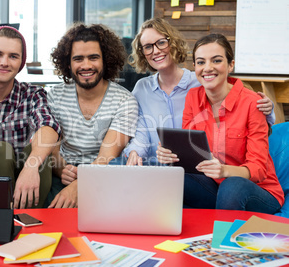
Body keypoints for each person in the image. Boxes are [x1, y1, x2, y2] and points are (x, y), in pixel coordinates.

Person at [118, 18, 274, 166]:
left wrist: (268, 109)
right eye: (148, 47)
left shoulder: (201, 80)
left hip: (198, 170)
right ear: (143, 53)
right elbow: (142, 131)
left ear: (172, 43)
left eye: (161, 43)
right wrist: (134, 151)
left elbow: (239, 105)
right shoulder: (141, 88)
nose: (156, 51)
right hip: (157, 165)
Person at [157, 33, 284, 213]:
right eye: (201, 62)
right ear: (195, 67)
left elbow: (258, 170)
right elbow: (190, 152)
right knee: (172, 177)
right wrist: (171, 155)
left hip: (258, 191)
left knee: (232, 187)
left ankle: (219, 241)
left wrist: (224, 170)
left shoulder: (252, 103)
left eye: (216, 60)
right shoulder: (193, 97)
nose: (207, 68)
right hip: (215, 187)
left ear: (231, 65)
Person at [47, 23, 139, 208]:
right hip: (64, 174)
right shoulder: (54, 96)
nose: (86, 65)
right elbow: (51, 146)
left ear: (106, 60)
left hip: (104, 177)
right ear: (68, 62)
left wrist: (79, 185)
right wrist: (60, 169)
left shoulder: (125, 100)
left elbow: (107, 156)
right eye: (78, 58)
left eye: (93, 58)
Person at [0, 26, 61, 209]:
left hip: (23, 177)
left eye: (13, 56)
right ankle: (1, 218)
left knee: (38, 155)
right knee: (1, 151)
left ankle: (29, 222)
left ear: (21, 62)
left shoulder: (32, 93)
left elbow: (48, 127)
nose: (4, 62)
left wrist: (31, 166)